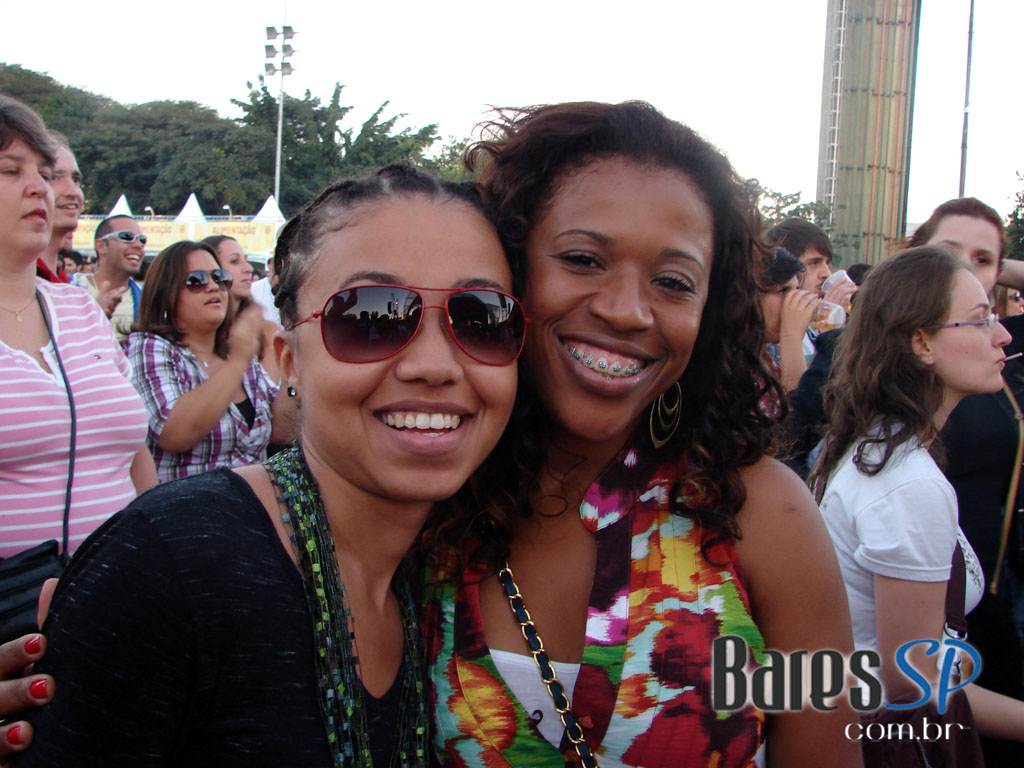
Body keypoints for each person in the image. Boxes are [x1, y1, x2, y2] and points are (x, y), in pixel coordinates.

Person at [12, 165, 527, 766]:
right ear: (287, 362)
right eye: (370, 317)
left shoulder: (443, 576)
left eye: (482, 318)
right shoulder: (175, 562)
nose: (435, 365)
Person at [422, 102, 860, 768]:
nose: (627, 309)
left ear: (709, 311)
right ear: (512, 266)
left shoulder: (769, 515)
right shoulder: (427, 491)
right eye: (582, 259)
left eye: (672, 282)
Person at [810, 245, 1024, 754]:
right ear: (921, 342)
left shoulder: (879, 449)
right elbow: (915, 683)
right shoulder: (907, 484)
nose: (1003, 334)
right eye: (979, 321)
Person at [0, 94, 155, 561]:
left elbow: (135, 455)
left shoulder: (78, 308)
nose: (40, 189)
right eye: (11, 170)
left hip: (120, 598)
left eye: (44, 175)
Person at [908, 196, 1024, 767]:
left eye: (982, 260)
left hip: (987, 608)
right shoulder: (901, 472)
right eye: (945, 254)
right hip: (922, 640)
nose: (961, 269)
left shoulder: (994, 365)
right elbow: (912, 680)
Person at [123, 240, 284, 483]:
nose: (213, 287)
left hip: (252, 510)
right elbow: (174, 432)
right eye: (196, 281)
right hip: (187, 512)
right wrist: (239, 360)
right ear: (166, 291)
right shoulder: (148, 346)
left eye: (219, 278)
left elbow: (281, 429)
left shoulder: (235, 351)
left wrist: (298, 368)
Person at [202, 234, 280, 381]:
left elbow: (266, 399)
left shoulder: (266, 331)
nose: (248, 269)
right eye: (235, 261)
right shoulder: (195, 335)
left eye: (246, 260)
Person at [71, 215, 145, 339]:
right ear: (101, 246)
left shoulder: (148, 300)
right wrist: (94, 315)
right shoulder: (68, 289)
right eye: (127, 237)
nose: (138, 245)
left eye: (142, 240)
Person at [759, 247, 816, 392]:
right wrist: (791, 338)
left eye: (796, 290)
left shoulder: (769, 352)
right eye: (783, 291)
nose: (792, 301)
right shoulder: (726, 362)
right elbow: (796, 409)